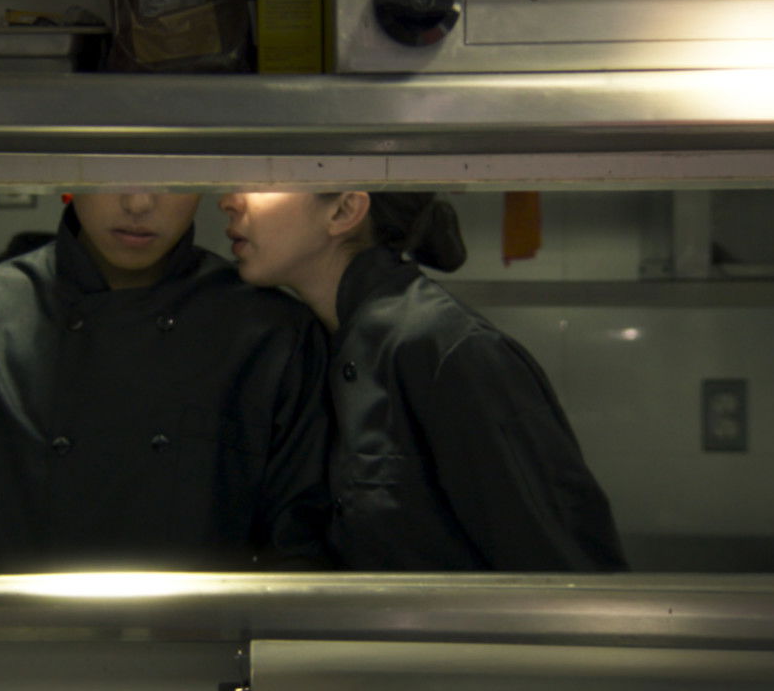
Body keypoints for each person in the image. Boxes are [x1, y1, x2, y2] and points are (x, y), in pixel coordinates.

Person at [0, 193, 331, 575]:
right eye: (114, 172)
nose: (139, 203)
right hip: (11, 645)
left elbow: (300, 547)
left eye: (169, 178)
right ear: (69, 176)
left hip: (204, 646)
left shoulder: (269, 331)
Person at [218, 191, 628, 571]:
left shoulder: (444, 347)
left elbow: (564, 569)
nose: (230, 200)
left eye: (266, 181)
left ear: (344, 210)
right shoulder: (314, 344)